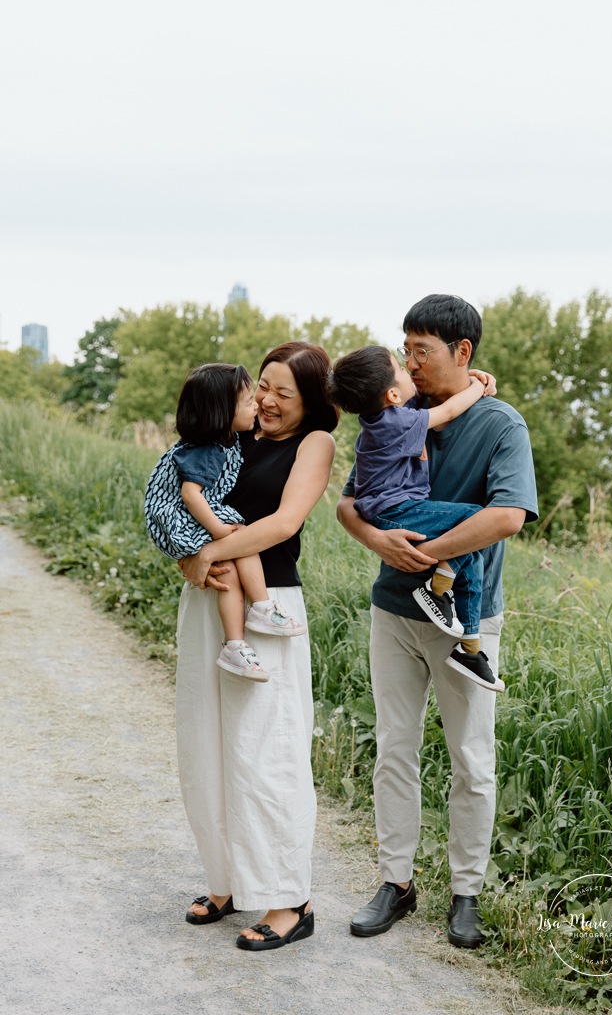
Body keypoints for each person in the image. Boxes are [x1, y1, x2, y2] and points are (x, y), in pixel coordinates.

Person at [337, 295, 538, 948]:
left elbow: (506, 516)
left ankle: (466, 894)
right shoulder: (395, 413)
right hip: (392, 611)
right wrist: (382, 545)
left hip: (466, 624)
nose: (410, 361)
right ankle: (395, 883)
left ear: (463, 353)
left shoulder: (502, 425)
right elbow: (348, 507)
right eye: (406, 348)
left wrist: (423, 550)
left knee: (471, 762)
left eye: (421, 349)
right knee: (394, 749)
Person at [175, 342, 338, 951]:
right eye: (262, 386)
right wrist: (189, 564)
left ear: (312, 402)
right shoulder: (229, 436)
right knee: (206, 742)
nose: (267, 400)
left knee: (267, 749)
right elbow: (184, 502)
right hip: (210, 600)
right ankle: (226, 881)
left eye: (284, 393)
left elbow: (282, 524)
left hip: (270, 609)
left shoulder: (313, 444)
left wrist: (208, 553)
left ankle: (288, 896)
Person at [327, 345, 503, 692]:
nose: (411, 369)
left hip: (389, 511)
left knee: (470, 564)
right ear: (392, 394)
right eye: (403, 369)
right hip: (397, 513)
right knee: (475, 519)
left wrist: (471, 376)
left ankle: (469, 646)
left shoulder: (381, 417)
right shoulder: (398, 422)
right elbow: (451, 409)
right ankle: (437, 584)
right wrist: (477, 388)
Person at [144, 362, 306, 684]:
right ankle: (261, 607)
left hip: (187, 516)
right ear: (222, 414)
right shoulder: (207, 449)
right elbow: (191, 495)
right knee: (240, 536)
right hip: (179, 516)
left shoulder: (223, 440)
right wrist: (218, 531)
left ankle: (235, 643)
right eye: (249, 402)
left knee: (230, 565)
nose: (257, 404)